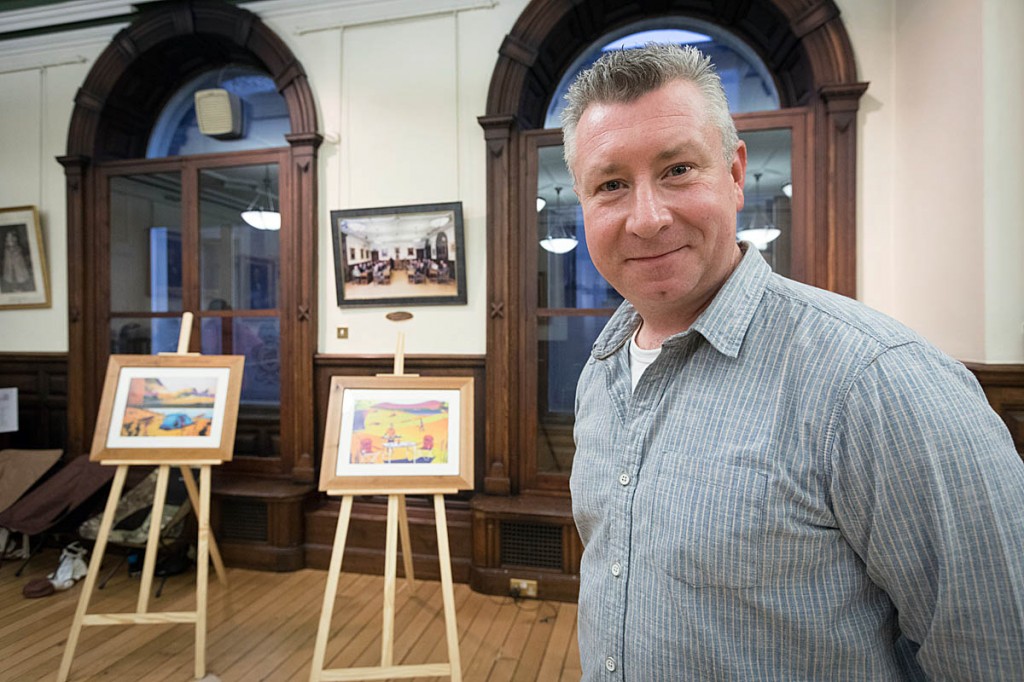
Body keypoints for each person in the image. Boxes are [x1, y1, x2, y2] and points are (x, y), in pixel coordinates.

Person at [565, 43, 1024, 680]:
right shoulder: (603, 369)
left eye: (678, 170)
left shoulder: (878, 383)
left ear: (734, 175)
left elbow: (996, 653)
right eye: (611, 185)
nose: (646, 219)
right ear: (583, 202)